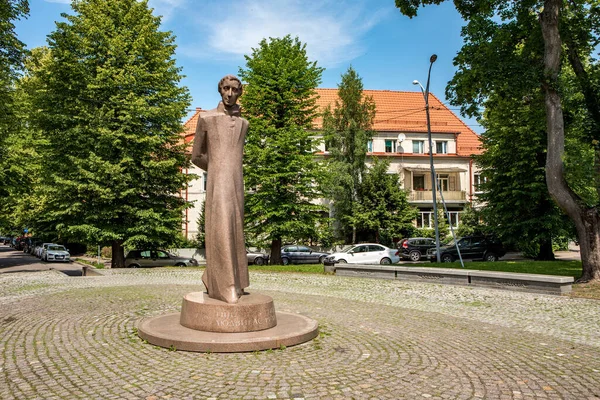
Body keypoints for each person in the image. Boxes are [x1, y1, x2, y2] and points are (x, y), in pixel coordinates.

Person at [191, 75, 249, 304]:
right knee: (222, 227)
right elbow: (196, 155)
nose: (229, 94)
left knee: (235, 230)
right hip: (218, 181)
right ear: (220, 90)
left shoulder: (244, 123)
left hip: (237, 182)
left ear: (239, 92)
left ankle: (233, 280)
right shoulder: (206, 119)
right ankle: (226, 286)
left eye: (234, 90)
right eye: (226, 89)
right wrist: (216, 169)